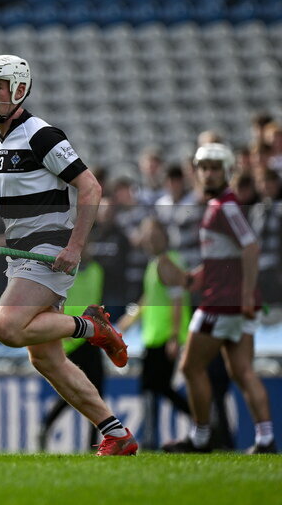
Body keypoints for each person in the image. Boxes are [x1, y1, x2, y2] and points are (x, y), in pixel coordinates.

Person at [0, 54, 137, 456]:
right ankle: (116, 433)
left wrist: (75, 247)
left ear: (20, 90)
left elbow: (91, 188)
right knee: (45, 359)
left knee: (4, 327)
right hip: (19, 255)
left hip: (50, 250)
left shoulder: (42, 135)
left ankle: (91, 328)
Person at [162, 143, 276, 454]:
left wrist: (244, 295)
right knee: (242, 371)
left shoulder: (224, 206)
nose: (209, 173)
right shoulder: (221, 205)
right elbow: (227, 257)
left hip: (222, 304)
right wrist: (196, 277)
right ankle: (265, 440)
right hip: (231, 301)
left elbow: (250, 247)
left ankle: (201, 438)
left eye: (215, 168)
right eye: (204, 168)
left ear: (227, 171)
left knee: (189, 367)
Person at [115, 217, 191, 450]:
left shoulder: (166, 262)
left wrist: (174, 336)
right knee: (157, 387)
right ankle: (199, 425)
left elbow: (177, 300)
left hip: (164, 335)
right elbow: (149, 299)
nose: (148, 238)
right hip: (155, 335)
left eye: (152, 234)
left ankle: (199, 425)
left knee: (154, 387)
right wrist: (126, 323)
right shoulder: (156, 263)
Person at [38, 253, 105, 451]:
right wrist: (61, 325)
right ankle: (45, 426)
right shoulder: (65, 271)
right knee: (73, 392)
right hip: (71, 338)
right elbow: (58, 299)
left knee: (96, 393)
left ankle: (93, 445)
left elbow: (96, 301)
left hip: (91, 337)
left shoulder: (97, 271)